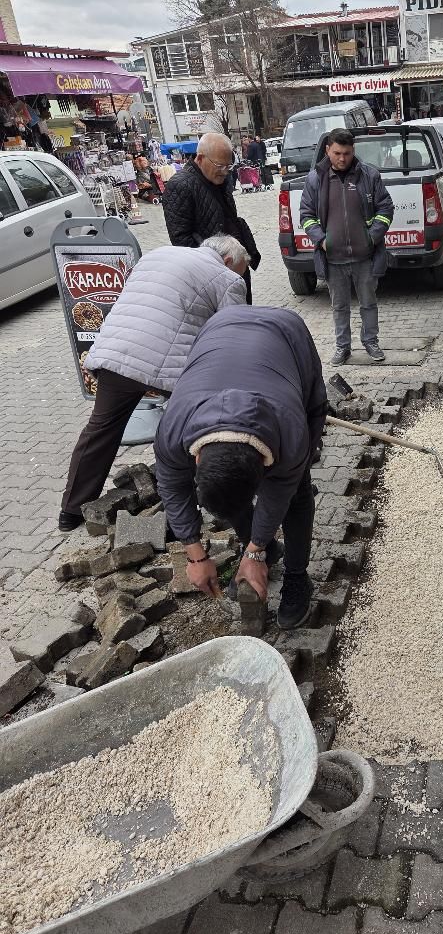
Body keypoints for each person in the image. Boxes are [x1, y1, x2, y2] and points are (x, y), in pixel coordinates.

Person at [153, 306, 327, 630]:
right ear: (197, 458)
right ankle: (264, 549)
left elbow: (278, 495)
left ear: (265, 462)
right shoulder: (173, 430)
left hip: (286, 336)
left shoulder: (290, 434)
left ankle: (297, 578)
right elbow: (172, 488)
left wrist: (254, 551)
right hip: (221, 326)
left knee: (297, 490)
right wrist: (195, 554)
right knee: (227, 493)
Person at [58, 238, 249, 531]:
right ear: (227, 261)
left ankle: (70, 512)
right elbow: (231, 333)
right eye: (241, 270)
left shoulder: (157, 253)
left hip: (116, 354)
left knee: (100, 429)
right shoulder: (226, 279)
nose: (240, 276)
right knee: (199, 425)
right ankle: (204, 498)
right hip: (166, 367)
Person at [299, 128, 394, 366]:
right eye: (337, 153)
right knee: (339, 307)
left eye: (348, 153)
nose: (342, 159)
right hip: (333, 260)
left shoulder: (369, 175)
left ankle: (371, 342)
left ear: (354, 151)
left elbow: (386, 208)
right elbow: (306, 215)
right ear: (327, 151)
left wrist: (372, 237)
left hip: (365, 257)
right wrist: (321, 240)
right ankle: (343, 347)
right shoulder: (315, 179)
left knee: (368, 304)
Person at [162, 131, 261, 304]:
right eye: (219, 166)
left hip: (235, 266)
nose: (225, 172)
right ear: (200, 158)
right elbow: (181, 239)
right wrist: (214, 265)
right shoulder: (180, 185)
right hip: (212, 275)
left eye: (228, 166)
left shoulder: (221, 179)